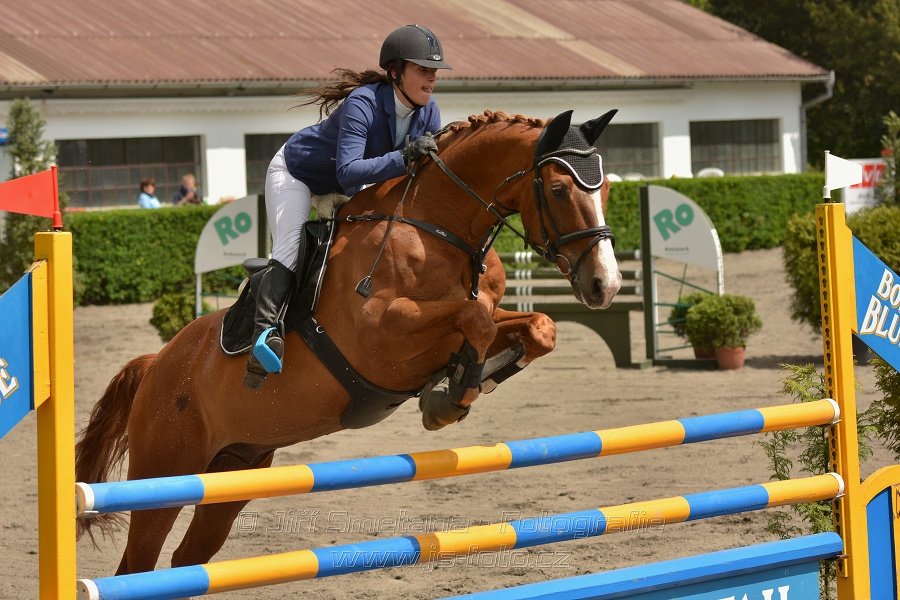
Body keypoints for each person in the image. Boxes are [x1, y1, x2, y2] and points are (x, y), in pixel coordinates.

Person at [244, 24, 452, 390]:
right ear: (395, 72)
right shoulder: (364, 102)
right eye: (423, 69)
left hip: (346, 187)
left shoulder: (429, 113)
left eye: (434, 71)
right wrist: (404, 157)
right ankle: (264, 336)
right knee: (290, 246)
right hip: (298, 173)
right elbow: (348, 168)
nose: (431, 78)